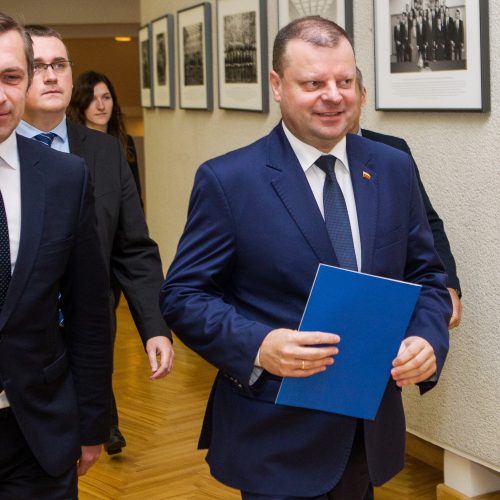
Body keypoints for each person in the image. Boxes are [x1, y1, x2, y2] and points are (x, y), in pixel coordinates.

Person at [161, 17, 451, 499]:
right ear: (277, 85)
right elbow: (183, 296)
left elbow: (427, 275)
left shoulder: (393, 168)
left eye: (345, 81)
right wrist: (259, 345)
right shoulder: (229, 181)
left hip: (367, 433)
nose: (334, 95)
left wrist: (427, 338)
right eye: (314, 83)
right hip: (275, 438)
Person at [17, 24, 174, 456]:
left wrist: (154, 327)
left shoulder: (105, 152)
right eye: (37, 67)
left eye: (60, 65)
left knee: (76, 459)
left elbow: (133, 249)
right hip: (21, 348)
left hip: (89, 338)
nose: (51, 76)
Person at [0, 13, 112, 498]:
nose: (0, 94)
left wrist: (91, 423)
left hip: (38, 433)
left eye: (10, 77)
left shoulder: (66, 177)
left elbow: (89, 312)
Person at [350, 67, 462, 329]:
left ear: (363, 95)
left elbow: (427, 222)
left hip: (392, 306)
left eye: (346, 85)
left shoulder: (394, 151)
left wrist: (448, 284)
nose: (335, 98)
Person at [67, 70, 142, 201]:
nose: (101, 106)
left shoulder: (125, 142)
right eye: (91, 99)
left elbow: (135, 199)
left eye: (106, 97)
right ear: (80, 104)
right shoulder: (70, 143)